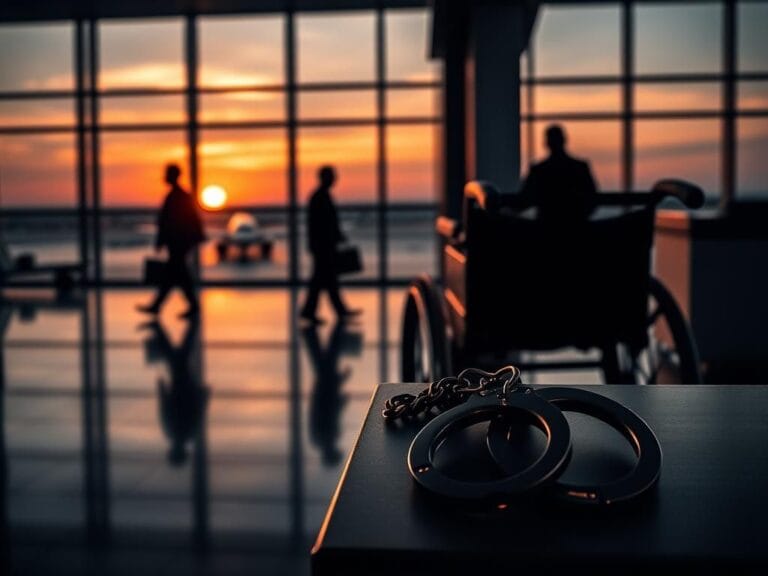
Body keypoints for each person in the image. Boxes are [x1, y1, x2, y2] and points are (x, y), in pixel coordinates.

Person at [138, 164, 206, 319]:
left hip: (177, 241)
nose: (164, 177)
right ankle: (185, 305)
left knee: (174, 273)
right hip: (180, 241)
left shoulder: (176, 196)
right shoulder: (180, 195)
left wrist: (161, 241)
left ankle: (159, 305)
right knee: (177, 274)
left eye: (167, 174)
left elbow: (168, 222)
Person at [300, 165, 361, 325]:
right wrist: (336, 235)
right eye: (332, 176)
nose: (335, 179)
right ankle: (324, 311)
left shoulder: (319, 196)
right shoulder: (321, 197)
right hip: (323, 246)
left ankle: (316, 310)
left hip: (323, 245)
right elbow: (322, 224)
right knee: (324, 279)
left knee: (324, 279)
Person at [517, 125, 598, 220]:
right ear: (564, 140)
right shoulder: (580, 167)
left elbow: (525, 200)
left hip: (546, 225)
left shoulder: (539, 170)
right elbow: (592, 199)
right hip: (575, 224)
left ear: (546, 143)